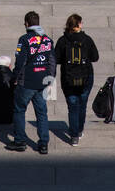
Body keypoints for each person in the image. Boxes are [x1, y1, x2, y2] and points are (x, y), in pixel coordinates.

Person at [10, 10, 56, 153]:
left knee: (19, 110)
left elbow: (20, 62)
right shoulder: (48, 40)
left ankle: (20, 141)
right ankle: (43, 144)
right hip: (42, 81)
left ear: (27, 23)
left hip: (27, 82)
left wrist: (15, 78)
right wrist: (50, 79)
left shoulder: (24, 39)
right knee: (42, 112)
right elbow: (53, 62)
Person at [55, 13, 99, 144]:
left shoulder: (62, 40)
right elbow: (95, 57)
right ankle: (79, 130)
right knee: (82, 104)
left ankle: (74, 137)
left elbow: (56, 58)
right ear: (79, 24)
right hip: (86, 76)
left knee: (72, 106)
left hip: (68, 79)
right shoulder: (87, 39)